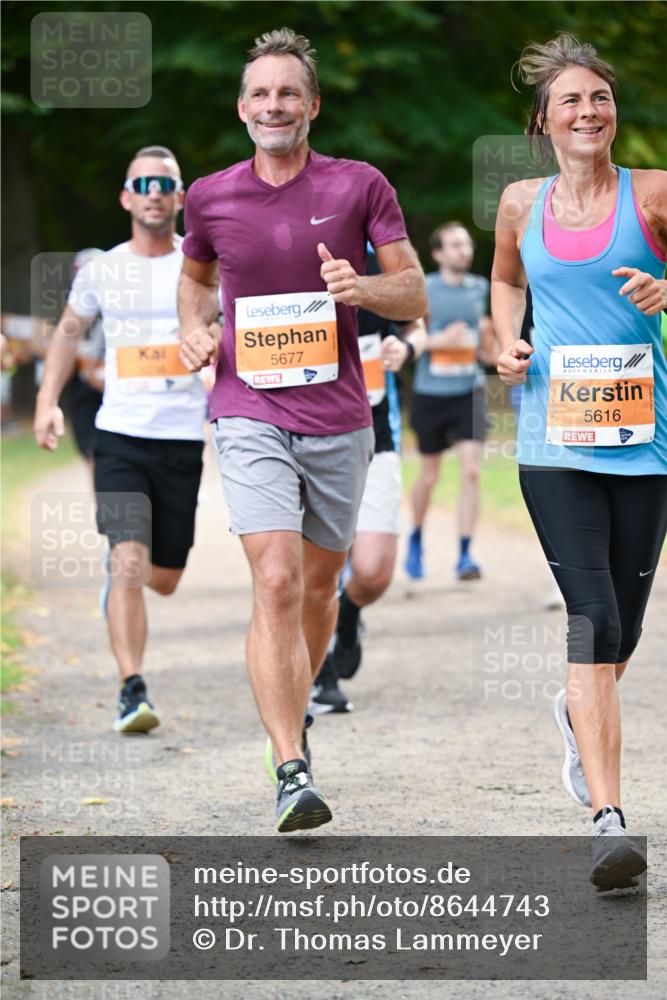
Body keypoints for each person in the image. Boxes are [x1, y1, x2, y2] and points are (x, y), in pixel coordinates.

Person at [178, 28, 426, 832]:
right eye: (260, 93)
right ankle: (290, 765)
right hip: (247, 409)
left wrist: (362, 288)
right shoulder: (211, 196)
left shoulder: (359, 185)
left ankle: (299, 698)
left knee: (321, 588)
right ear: (241, 106)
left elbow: (414, 291)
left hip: (339, 418)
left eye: (289, 92)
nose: (274, 104)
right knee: (276, 580)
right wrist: (193, 330)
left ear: (311, 105)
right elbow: (195, 278)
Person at [492, 34, 666, 890]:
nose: (587, 112)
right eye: (570, 101)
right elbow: (502, 282)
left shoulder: (656, 194)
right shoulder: (521, 203)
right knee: (591, 617)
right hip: (553, 441)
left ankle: (573, 706)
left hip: (645, 443)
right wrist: (504, 343)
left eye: (598, 98)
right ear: (543, 121)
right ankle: (609, 820)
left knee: (623, 630)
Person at [34, 146, 209, 735]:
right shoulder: (103, 269)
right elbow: (67, 332)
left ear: (180, 196)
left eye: (166, 182)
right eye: (144, 182)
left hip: (182, 439)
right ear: (127, 197)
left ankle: (127, 574)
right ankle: (131, 689)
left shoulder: (203, 263)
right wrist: (46, 402)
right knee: (128, 561)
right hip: (120, 436)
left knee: (164, 577)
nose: (155, 190)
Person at [310, 245, 427, 713]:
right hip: (304, 438)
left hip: (375, 437)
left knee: (374, 572)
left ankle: (349, 614)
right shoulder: (281, 250)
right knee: (315, 570)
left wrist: (407, 345)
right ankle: (320, 675)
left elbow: (418, 318)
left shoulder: (378, 258)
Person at [405, 222, 496, 582]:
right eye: (455, 245)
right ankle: (414, 538)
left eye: (467, 244)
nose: (464, 250)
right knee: (429, 475)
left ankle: (465, 554)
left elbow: (486, 339)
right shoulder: (424, 289)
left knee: (472, 471)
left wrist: (492, 349)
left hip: (469, 391)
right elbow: (412, 339)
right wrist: (441, 340)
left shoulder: (481, 288)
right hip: (431, 394)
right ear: (438, 253)